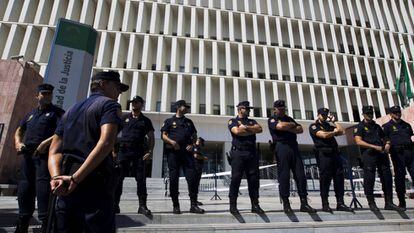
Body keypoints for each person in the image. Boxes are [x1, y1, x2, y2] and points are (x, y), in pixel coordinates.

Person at [48, 71, 128, 232]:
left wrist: (56, 177)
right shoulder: (109, 105)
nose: (119, 92)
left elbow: (54, 149)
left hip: (66, 183)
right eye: (117, 87)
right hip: (93, 183)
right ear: (103, 84)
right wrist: (76, 179)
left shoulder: (70, 110)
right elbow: (106, 142)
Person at [14, 84, 65, 233]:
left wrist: (45, 143)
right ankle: (23, 222)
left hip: (44, 157)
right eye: (44, 93)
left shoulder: (57, 113)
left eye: (49, 93)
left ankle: (45, 223)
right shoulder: (31, 114)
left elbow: (62, 131)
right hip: (28, 156)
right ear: (37, 96)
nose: (47, 95)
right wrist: (18, 142)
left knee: (43, 189)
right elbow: (19, 129)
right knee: (24, 189)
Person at [268, 100, 315, 213]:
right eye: (279, 109)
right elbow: (280, 127)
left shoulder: (289, 119)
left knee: (300, 175)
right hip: (281, 147)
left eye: (283, 108)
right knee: (284, 175)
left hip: (293, 147)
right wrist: (292, 126)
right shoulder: (272, 119)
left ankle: (304, 202)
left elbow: (300, 129)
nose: (282, 110)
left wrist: (288, 125)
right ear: (275, 109)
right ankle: (286, 203)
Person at [354, 105, 402, 211]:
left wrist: (388, 143)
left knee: (387, 177)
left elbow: (384, 137)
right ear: (363, 114)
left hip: (381, 154)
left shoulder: (376, 127)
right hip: (369, 154)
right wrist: (374, 146)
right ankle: (371, 203)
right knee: (369, 178)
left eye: (371, 114)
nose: (370, 116)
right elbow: (358, 141)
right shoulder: (360, 127)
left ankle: (389, 202)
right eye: (368, 114)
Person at [160, 100, 204, 214]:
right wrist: (172, 142)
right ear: (179, 107)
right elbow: (163, 136)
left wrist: (192, 144)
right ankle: (176, 205)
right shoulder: (169, 121)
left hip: (187, 154)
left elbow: (195, 136)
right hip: (173, 154)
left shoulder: (189, 122)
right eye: (185, 106)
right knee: (174, 179)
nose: (187, 108)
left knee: (192, 178)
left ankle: (193, 205)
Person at [114, 95, 154, 215]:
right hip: (123, 152)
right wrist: (113, 151)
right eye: (133, 102)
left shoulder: (146, 121)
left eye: (136, 102)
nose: (134, 104)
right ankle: (115, 205)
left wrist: (149, 152)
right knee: (118, 180)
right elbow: (114, 133)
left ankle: (142, 206)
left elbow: (151, 137)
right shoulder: (124, 118)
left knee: (141, 180)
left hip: (138, 153)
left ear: (141, 104)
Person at [309, 108, 353, 212]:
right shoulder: (314, 126)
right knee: (325, 179)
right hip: (324, 154)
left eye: (326, 115)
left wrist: (334, 122)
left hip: (335, 154)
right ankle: (325, 204)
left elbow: (341, 131)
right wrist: (333, 133)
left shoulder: (328, 126)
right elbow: (323, 135)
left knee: (339, 178)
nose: (324, 117)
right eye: (322, 115)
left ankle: (340, 203)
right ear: (318, 115)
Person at [228, 101, 264, 215]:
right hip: (238, 153)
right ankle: (233, 205)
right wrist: (250, 130)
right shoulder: (232, 121)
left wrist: (246, 128)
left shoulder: (251, 121)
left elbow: (259, 129)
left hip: (251, 153)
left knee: (253, 180)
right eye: (247, 108)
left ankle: (255, 204)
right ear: (240, 109)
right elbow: (237, 131)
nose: (249, 110)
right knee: (236, 179)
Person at [383, 105, 414, 210]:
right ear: (391, 114)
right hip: (397, 154)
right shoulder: (387, 126)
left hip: (410, 153)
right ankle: (402, 202)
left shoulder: (406, 125)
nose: (397, 114)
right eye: (395, 112)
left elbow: (410, 136)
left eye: (398, 112)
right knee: (400, 178)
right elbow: (385, 139)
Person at [193, 137, 208, 206]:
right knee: (195, 185)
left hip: (198, 168)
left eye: (200, 142)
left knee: (196, 185)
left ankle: (195, 200)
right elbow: (196, 156)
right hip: (196, 168)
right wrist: (204, 158)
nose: (199, 142)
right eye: (198, 141)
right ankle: (194, 201)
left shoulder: (198, 148)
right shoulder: (195, 147)